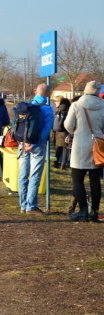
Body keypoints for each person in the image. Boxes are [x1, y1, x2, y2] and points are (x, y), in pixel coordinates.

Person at [63, 81, 104, 222]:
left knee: (77, 180)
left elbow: (68, 125)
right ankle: (95, 212)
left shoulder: (76, 105)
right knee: (95, 181)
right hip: (97, 146)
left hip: (79, 146)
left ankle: (83, 211)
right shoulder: (103, 105)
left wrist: (77, 131)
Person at [17, 83, 54, 214]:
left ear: (35, 92)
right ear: (48, 94)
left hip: (22, 145)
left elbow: (15, 125)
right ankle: (31, 206)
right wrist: (34, 144)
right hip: (37, 146)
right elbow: (46, 130)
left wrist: (23, 142)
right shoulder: (48, 109)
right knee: (35, 175)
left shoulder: (24, 106)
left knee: (22, 175)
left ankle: (23, 205)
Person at [53, 96, 71, 170]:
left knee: (59, 148)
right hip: (64, 131)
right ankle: (63, 165)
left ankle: (55, 162)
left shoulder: (58, 110)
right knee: (65, 149)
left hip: (57, 132)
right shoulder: (67, 111)